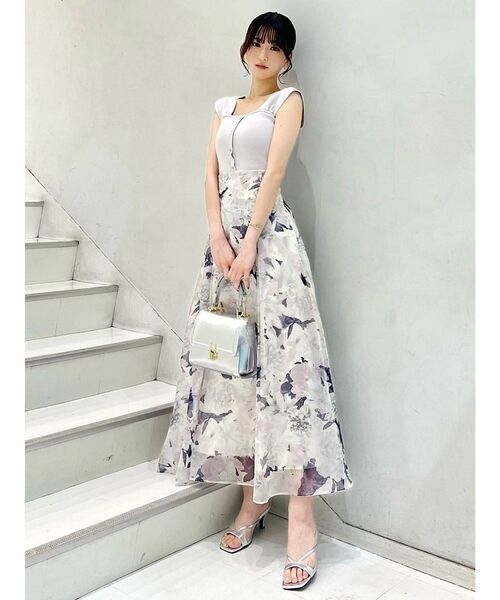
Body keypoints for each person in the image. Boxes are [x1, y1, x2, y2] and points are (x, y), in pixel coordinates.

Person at [157, 11, 353, 590]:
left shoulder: (287, 101)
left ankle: (301, 522)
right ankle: (252, 500)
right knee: (235, 372)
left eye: (275, 46)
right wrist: (218, 237)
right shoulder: (224, 107)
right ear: (244, 49)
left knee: (288, 374)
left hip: (269, 247)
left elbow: (273, 173)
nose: (264, 53)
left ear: (287, 58)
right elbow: (210, 176)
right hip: (223, 249)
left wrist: (249, 242)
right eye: (257, 42)